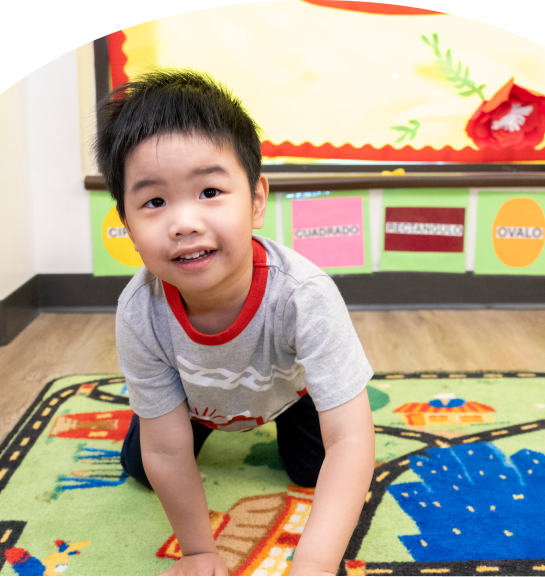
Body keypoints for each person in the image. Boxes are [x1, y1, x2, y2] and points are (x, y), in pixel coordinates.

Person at [95, 68, 375, 576]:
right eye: (154, 202)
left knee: (319, 472)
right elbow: (164, 447)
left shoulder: (304, 294)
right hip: (195, 401)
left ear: (257, 199)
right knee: (143, 464)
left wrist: (313, 563)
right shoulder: (139, 310)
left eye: (209, 192)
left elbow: (352, 441)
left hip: (291, 393)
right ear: (129, 227)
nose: (184, 222)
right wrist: (200, 552)